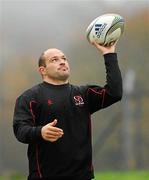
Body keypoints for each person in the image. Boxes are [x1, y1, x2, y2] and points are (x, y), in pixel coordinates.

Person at [13, 41, 122, 180]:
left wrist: (109, 54)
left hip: (83, 176)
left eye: (64, 58)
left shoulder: (84, 93)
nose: (62, 62)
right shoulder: (30, 97)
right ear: (43, 70)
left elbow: (115, 93)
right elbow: (20, 130)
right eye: (55, 60)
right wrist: (40, 131)